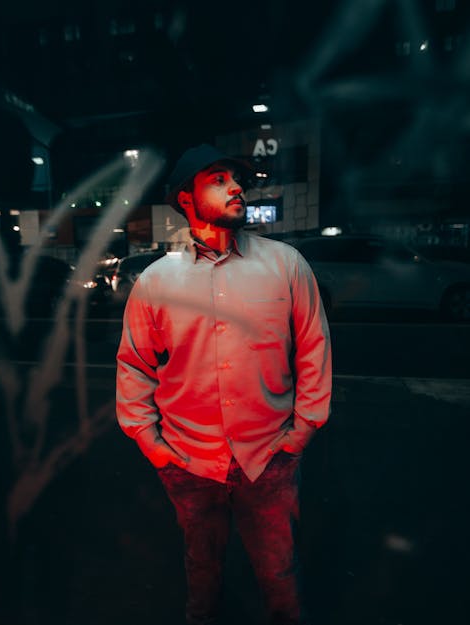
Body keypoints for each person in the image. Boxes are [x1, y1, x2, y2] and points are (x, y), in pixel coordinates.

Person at [116, 144, 332, 625]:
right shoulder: (155, 282)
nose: (236, 186)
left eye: (237, 178)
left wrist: (302, 431)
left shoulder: (286, 264)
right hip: (189, 458)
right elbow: (134, 364)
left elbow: (313, 347)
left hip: (269, 455)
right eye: (217, 179)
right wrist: (151, 442)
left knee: (279, 571)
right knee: (201, 566)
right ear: (185, 199)